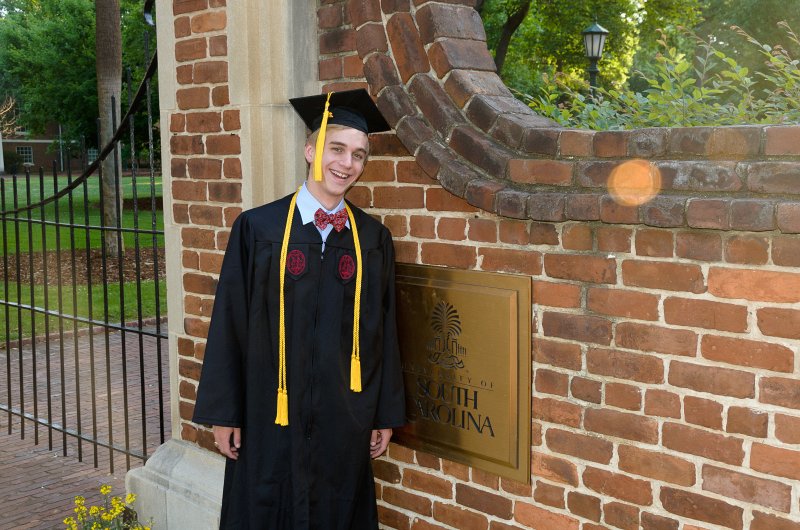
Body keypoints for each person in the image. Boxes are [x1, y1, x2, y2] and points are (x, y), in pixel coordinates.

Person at [192, 89, 406, 529]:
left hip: (343, 420)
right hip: (270, 415)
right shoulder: (258, 228)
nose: (346, 164)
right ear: (310, 150)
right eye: (337, 148)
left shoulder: (373, 239)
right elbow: (229, 324)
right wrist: (224, 414)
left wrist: (384, 413)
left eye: (359, 155)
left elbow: (384, 330)